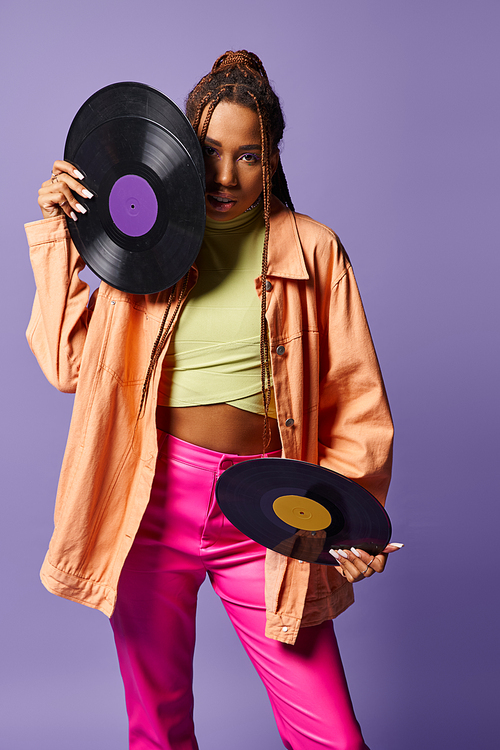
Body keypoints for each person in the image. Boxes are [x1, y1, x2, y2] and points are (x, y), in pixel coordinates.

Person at [27, 50, 400, 750]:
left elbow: (357, 404)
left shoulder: (312, 250)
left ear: (274, 159)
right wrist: (63, 241)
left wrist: (349, 517)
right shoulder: (141, 249)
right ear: (179, 154)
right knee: (158, 727)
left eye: (250, 155)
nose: (226, 177)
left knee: (332, 736)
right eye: (209, 153)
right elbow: (66, 364)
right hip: (149, 502)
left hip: (269, 508)